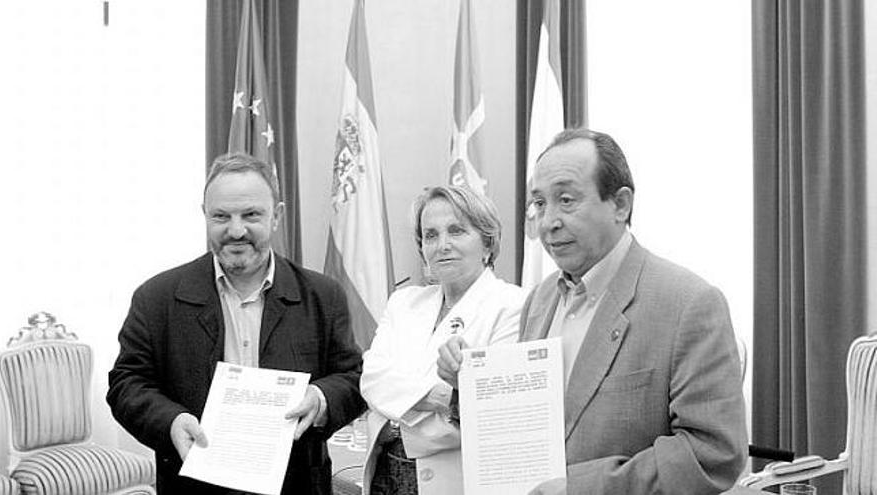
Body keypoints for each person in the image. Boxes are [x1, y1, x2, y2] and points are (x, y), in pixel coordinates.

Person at [438, 128, 747, 494]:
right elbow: (527, 426)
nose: (548, 221)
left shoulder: (689, 303)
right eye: (539, 204)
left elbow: (711, 454)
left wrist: (579, 488)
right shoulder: (538, 302)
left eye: (566, 200)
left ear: (620, 205)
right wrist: (469, 388)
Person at [107, 153, 366, 495]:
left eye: (251, 215)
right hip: (194, 484)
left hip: (297, 484)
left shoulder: (323, 295)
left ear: (277, 217)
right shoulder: (156, 298)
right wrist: (171, 422)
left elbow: (354, 377)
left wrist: (320, 397)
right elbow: (126, 383)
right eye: (221, 216)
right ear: (205, 216)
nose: (236, 230)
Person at [360, 185, 527, 495]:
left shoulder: (514, 306)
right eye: (431, 235)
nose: (442, 245)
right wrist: (448, 399)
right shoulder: (403, 301)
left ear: (488, 244)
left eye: (456, 231)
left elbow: (489, 412)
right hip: (384, 472)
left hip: (456, 481)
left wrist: (399, 409)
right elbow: (371, 381)